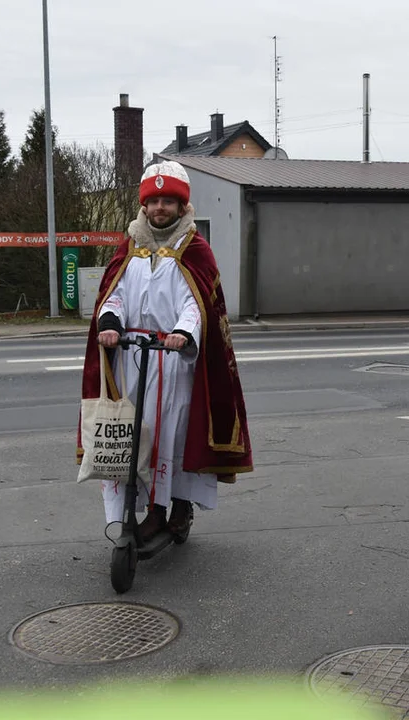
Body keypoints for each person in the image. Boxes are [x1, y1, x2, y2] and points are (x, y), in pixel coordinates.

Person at [78, 160, 253, 541]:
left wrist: (183, 333)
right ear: (144, 205)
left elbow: (198, 304)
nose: (160, 208)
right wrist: (109, 323)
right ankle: (139, 507)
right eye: (154, 200)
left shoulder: (195, 249)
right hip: (132, 358)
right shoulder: (130, 245)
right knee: (133, 434)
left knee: (169, 434)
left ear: (181, 206)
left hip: (173, 361)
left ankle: (170, 508)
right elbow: (115, 294)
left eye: (168, 201)